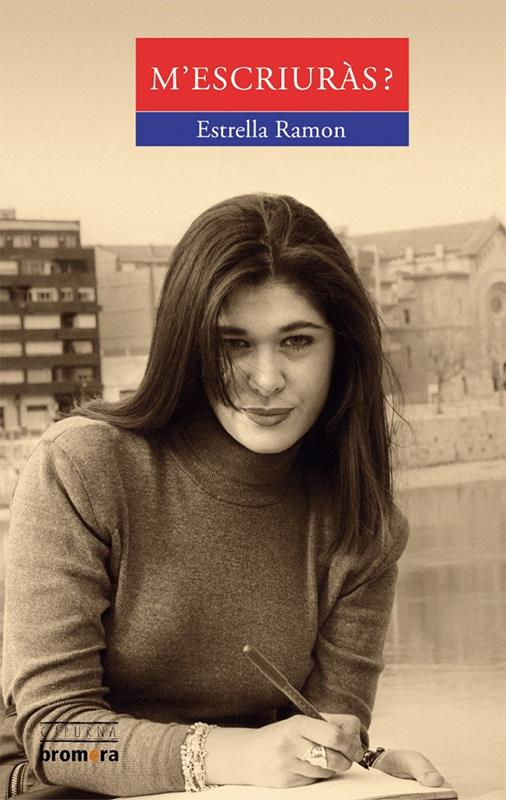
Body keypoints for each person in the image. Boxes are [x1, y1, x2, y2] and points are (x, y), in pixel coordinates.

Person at [1, 194, 445, 798]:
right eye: (234, 343)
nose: (266, 380)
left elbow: (319, 735)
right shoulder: (83, 466)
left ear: (342, 349)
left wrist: (360, 762)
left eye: (297, 341)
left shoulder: (364, 526)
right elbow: (58, 737)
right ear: (189, 346)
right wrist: (225, 754)